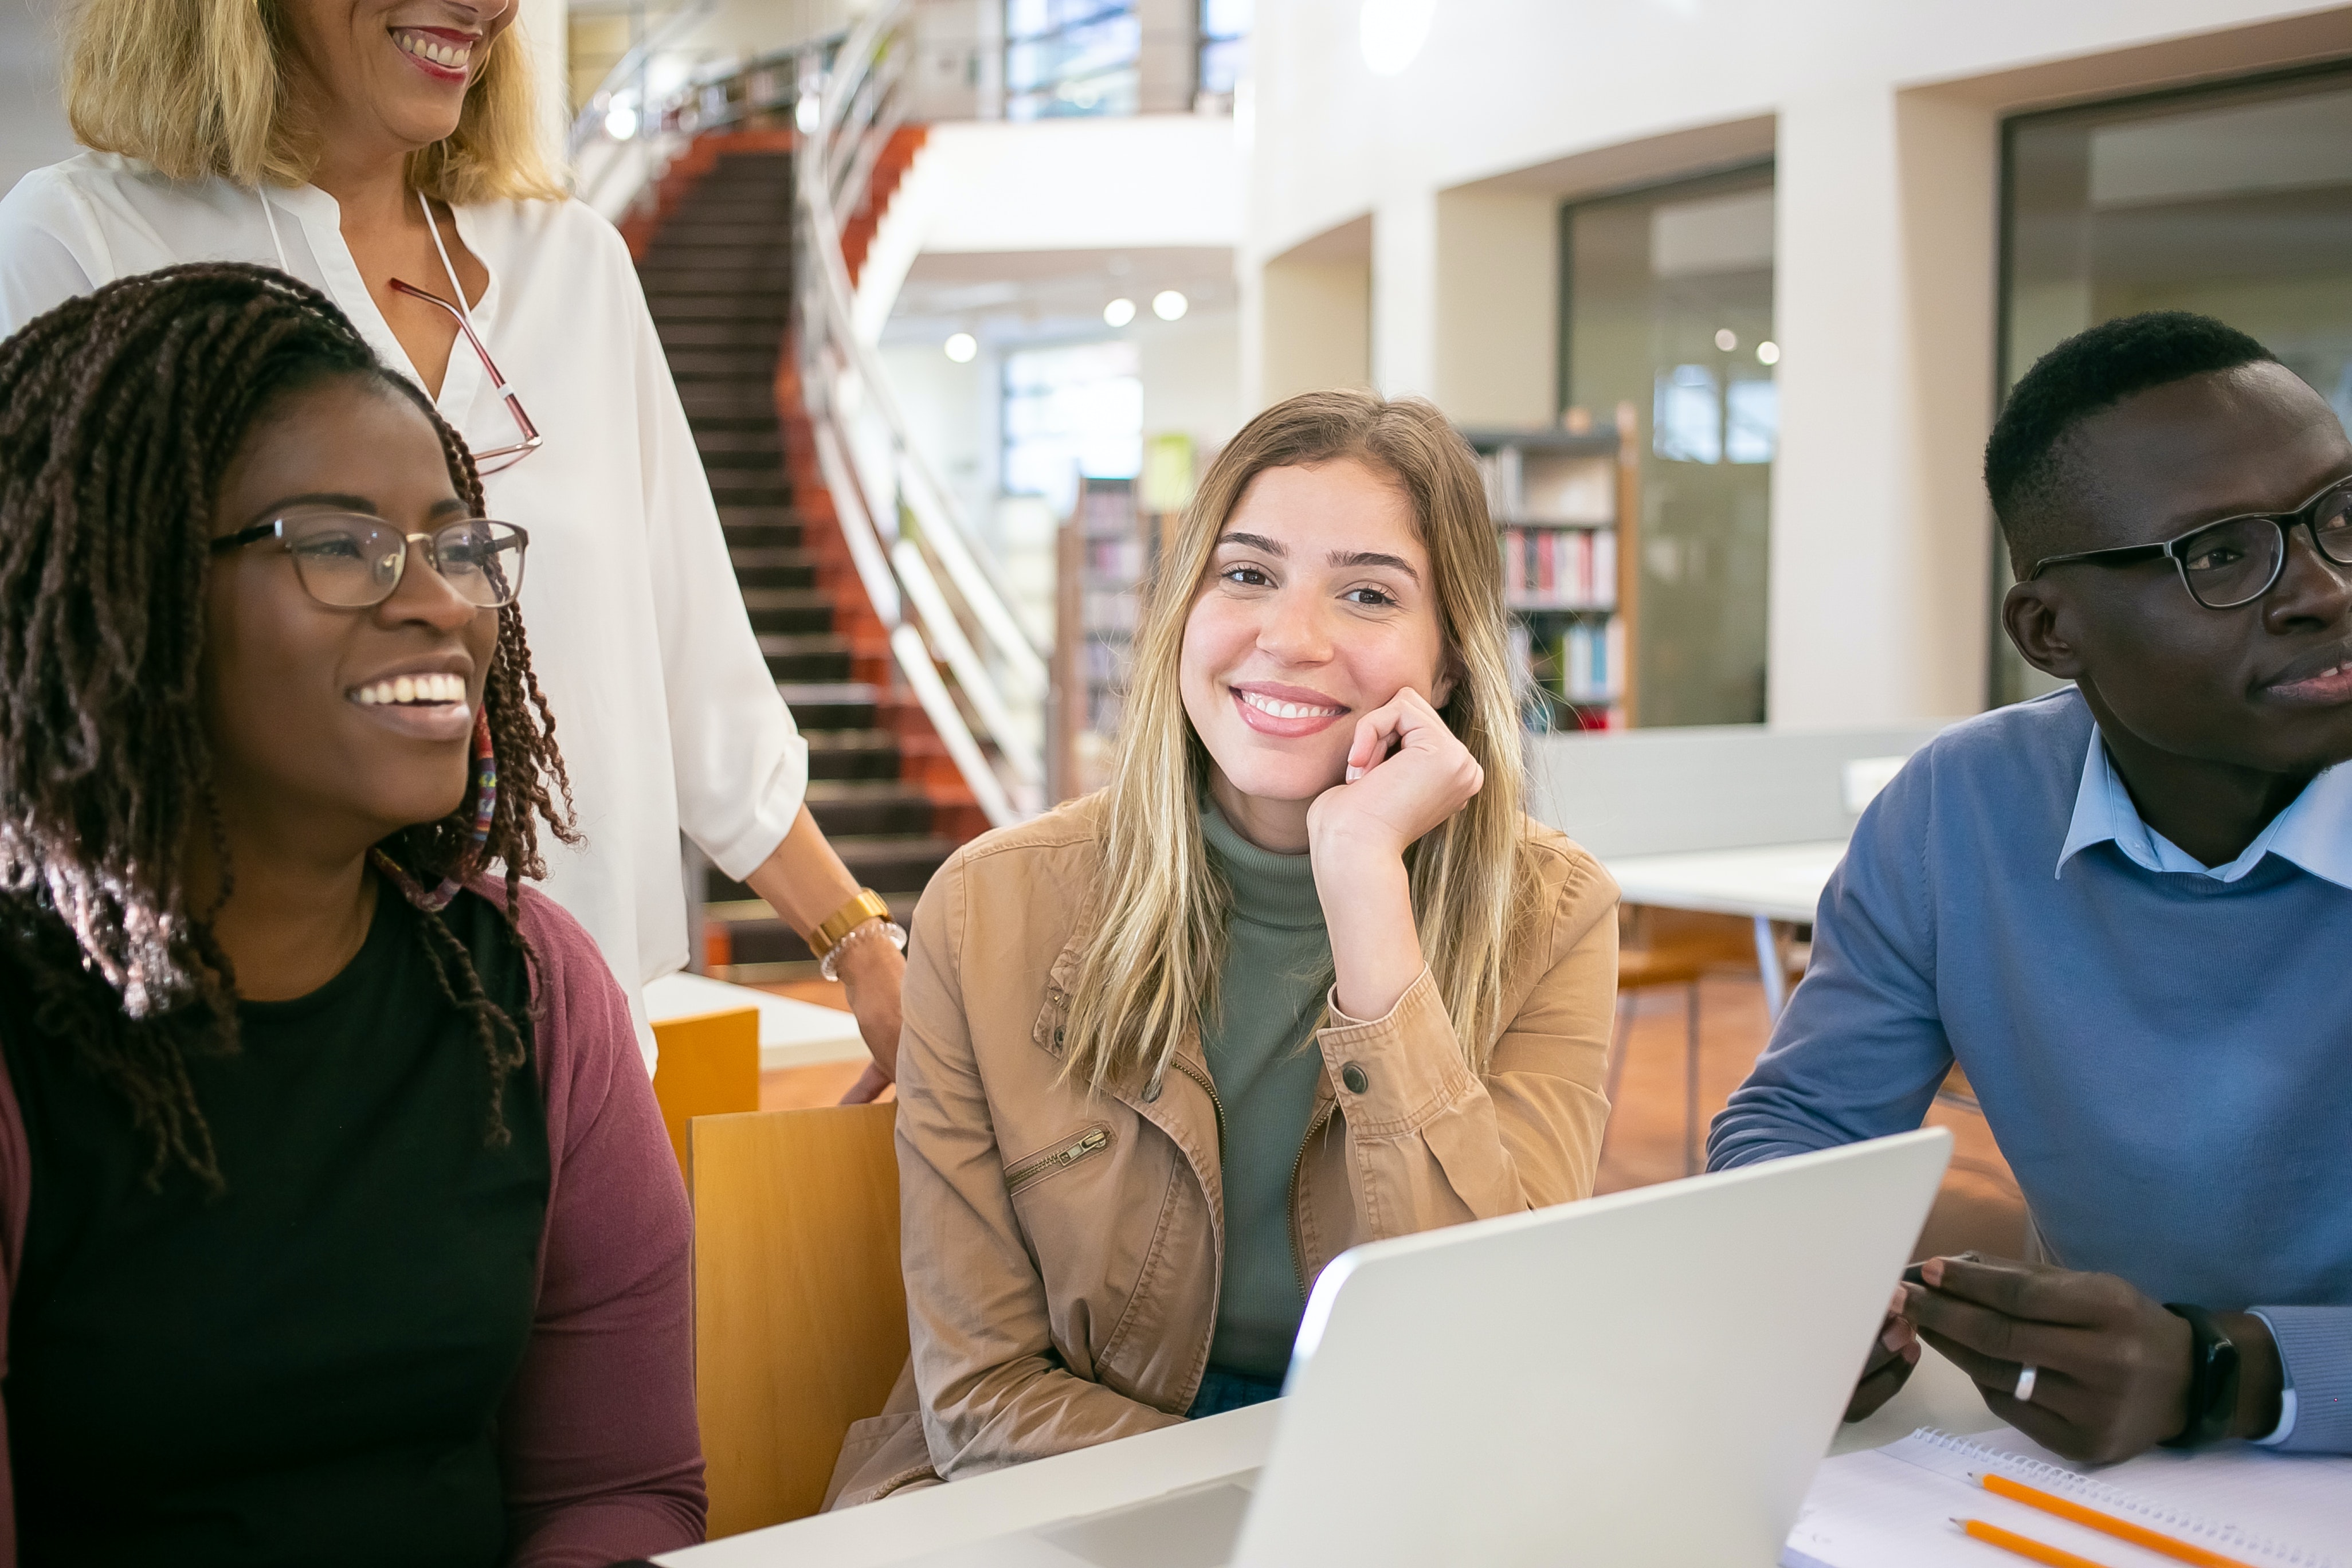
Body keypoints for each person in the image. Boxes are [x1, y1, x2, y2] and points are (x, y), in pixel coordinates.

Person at [0, 0, 907, 1091]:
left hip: (575, 1062)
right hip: (237, 1067)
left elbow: (692, 668)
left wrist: (860, 944)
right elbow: (57, 705)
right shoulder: (91, 241)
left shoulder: (575, 265)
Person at [0, 264, 704, 1564]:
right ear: (133, 596)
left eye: (459, 544)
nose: (439, 598)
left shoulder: (534, 990)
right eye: (337, 544)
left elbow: (622, 1491)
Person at [825, 390, 1620, 1507]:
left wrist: (1365, 892)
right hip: (1067, 1487)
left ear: (1447, 666)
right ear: (1181, 616)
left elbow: (1481, 1345)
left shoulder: (1552, 911)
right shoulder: (987, 909)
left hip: (1403, 1489)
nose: (1290, 638)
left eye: (1367, 593)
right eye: (1246, 574)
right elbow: (984, 1395)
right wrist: (1283, 1499)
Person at [1708, 312, 2352, 1463]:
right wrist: (1807, 1288)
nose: (2322, 589)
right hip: (2108, 1489)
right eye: (2221, 555)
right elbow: (1802, 1121)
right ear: (2051, 630)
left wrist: (2227, 1373)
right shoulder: (1957, 812)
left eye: (2338, 519)